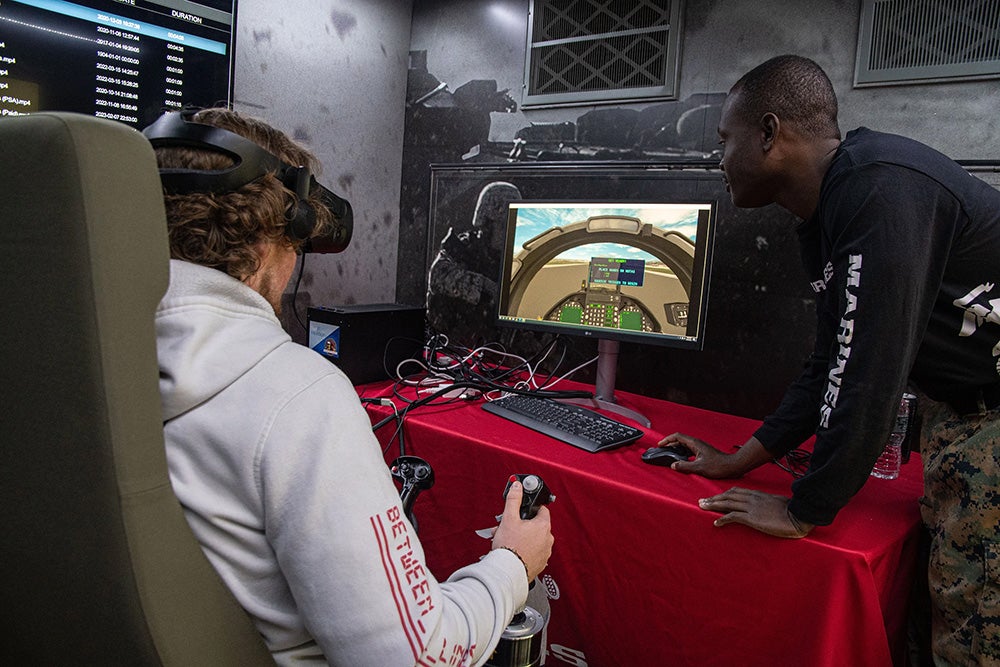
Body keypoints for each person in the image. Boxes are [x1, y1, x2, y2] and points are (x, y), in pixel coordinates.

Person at [147, 107, 553, 666]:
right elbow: (419, 656)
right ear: (276, 237)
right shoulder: (298, 396)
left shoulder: (95, 361)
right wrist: (511, 563)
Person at [658, 55, 1000, 662]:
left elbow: (870, 374)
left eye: (724, 140)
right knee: (950, 608)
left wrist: (805, 511)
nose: (718, 158)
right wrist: (740, 461)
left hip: (992, 419)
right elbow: (830, 364)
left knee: (978, 634)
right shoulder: (827, 215)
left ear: (769, 133)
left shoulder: (880, 189)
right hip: (963, 415)